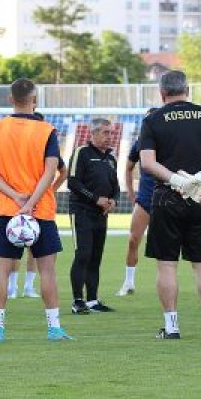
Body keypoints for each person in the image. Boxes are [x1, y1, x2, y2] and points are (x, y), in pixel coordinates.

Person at [139, 70, 201, 339]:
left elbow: (147, 163)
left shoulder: (153, 120)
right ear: (188, 90)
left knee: (167, 264)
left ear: (162, 93)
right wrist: (199, 179)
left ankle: (171, 327)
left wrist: (178, 181)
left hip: (166, 197)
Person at [0, 78, 70, 342]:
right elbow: (50, 172)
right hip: (39, 211)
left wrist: (15, 197)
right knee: (47, 270)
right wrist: (31, 202)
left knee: (2, 270)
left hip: (7, 210)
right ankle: (53, 328)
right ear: (35, 100)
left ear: (11, 99)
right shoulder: (47, 130)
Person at [67, 118, 120, 314]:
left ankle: (92, 300)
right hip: (81, 212)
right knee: (83, 254)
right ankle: (77, 300)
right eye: (106, 132)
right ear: (94, 133)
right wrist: (95, 198)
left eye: (111, 133)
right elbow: (72, 182)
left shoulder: (111, 159)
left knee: (96, 257)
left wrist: (113, 200)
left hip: (101, 215)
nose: (110, 136)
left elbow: (116, 186)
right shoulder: (82, 153)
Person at [9, 157, 67, 299]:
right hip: (19, 202)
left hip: (38, 206)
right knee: (16, 247)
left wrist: (50, 191)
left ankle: (27, 287)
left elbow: (64, 171)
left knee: (33, 248)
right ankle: (13, 287)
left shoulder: (48, 151)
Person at [117, 108, 157, 296]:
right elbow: (128, 167)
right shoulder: (140, 143)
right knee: (133, 240)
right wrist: (131, 193)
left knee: (168, 246)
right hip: (145, 199)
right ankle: (128, 282)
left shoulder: (171, 141)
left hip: (167, 200)